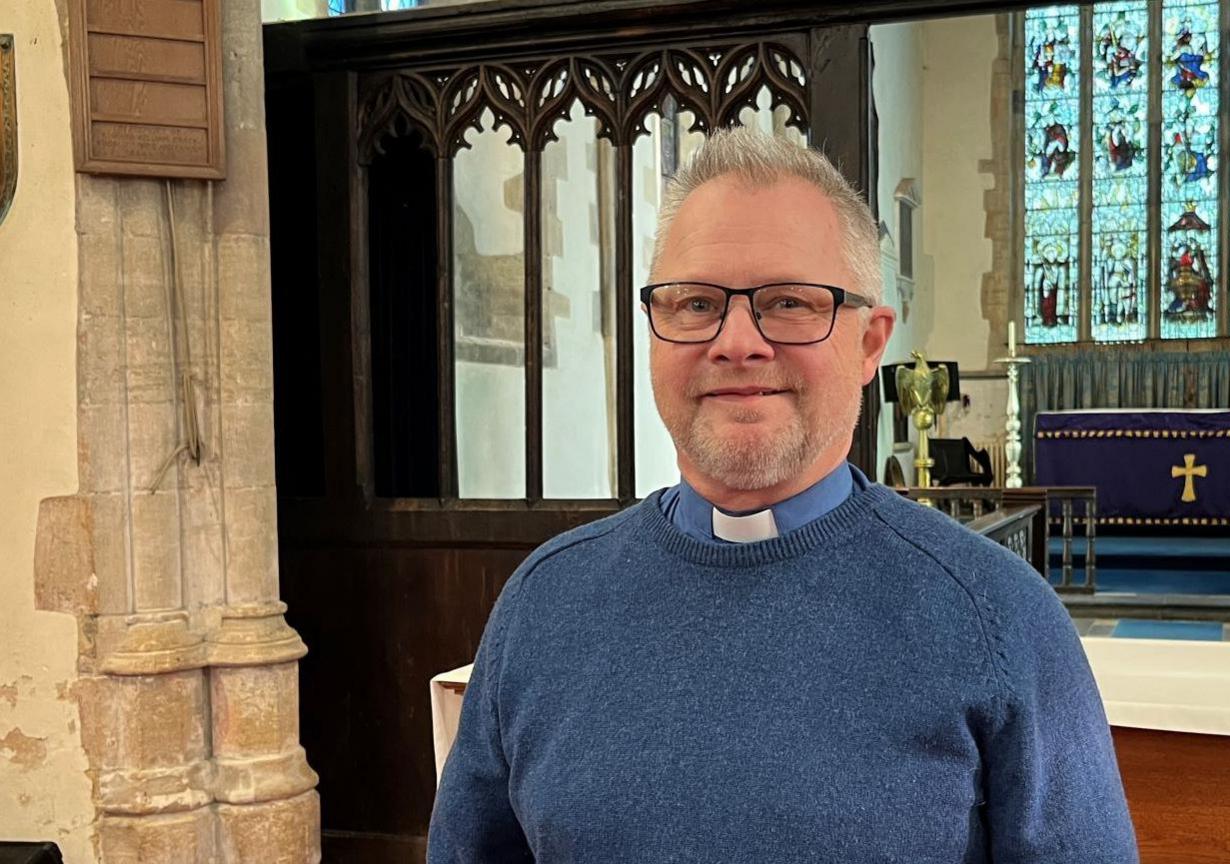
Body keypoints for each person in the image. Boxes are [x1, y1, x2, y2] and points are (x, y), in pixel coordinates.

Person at [427, 127, 1138, 862]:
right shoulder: (545, 603)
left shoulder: (998, 618)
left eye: (791, 302)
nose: (737, 341)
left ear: (869, 343)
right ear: (654, 329)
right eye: (696, 303)